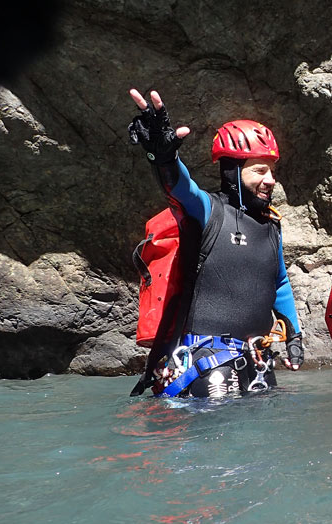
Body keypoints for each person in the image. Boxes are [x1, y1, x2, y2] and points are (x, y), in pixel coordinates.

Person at [127, 89, 304, 397]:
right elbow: (181, 188)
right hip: (208, 362)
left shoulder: (270, 225)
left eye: (272, 170)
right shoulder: (208, 210)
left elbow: (280, 283)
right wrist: (164, 158)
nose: (271, 179)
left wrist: (295, 336)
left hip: (257, 361)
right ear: (232, 170)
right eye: (260, 170)